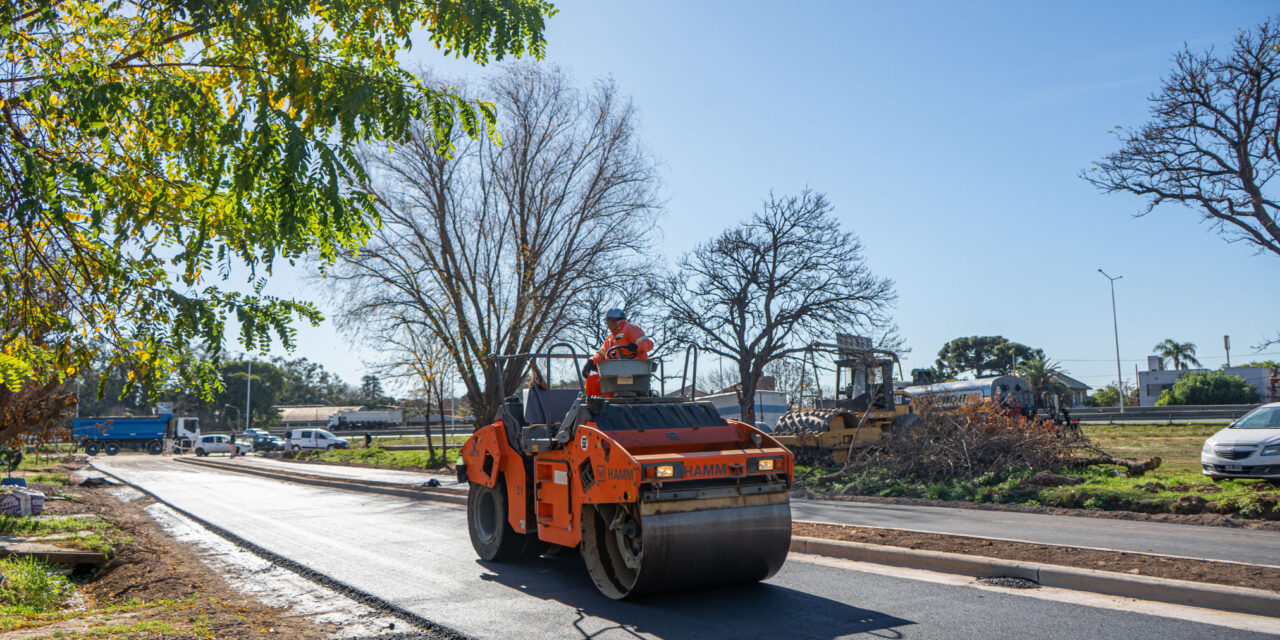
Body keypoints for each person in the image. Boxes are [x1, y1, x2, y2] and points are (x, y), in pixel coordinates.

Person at [581, 308, 655, 397]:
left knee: (603, 383)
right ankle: (596, 406)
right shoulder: (610, 338)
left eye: (607, 321)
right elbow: (601, 353)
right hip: (613, 377)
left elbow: (648, 344)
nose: (607, 325)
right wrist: (591, 362)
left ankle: (605, 405)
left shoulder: (630, 328)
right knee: (592, 382)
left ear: (612, 320)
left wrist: (636, 347)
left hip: (634, 377)